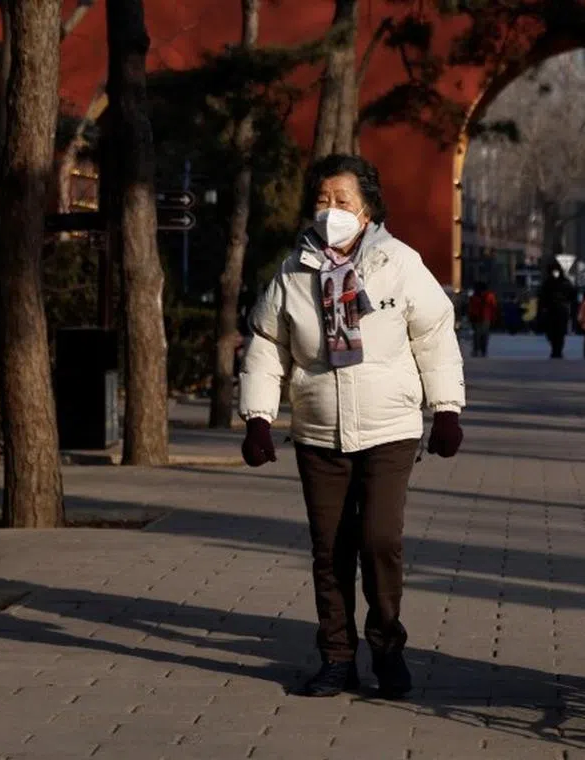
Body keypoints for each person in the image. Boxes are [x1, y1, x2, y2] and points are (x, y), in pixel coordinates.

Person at [238, 154, 466, 700]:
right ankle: (337, 656)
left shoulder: (398, 262)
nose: (332, 212)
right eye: (322, 201)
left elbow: (433, 333)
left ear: (368, 210)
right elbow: (268, 346)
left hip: (390, 427)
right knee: (330, 547)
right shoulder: (293, 271)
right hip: (319, 429)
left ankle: (387, 646)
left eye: (343, 202)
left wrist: (448, 409)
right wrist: (258, 419)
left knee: (379, 540)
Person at [537, 260, 575, 358]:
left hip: (560, 310)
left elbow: (572, 295)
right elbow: (541, 298)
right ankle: (556, 349)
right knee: (552, 332)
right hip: (552, 310)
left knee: (559, 332)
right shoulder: (548, 283)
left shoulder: (564, 282)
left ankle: (557, 350)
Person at [467, 281, 498, 357]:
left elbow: (471, 307)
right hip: (486, 318)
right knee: (484, 335)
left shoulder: (474, 296)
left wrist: (470, 316)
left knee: (476, 335)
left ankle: (476, 350)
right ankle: (483, 350)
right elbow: (494, 307)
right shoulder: (490, 296)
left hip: (476, 318)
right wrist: (494, 318)